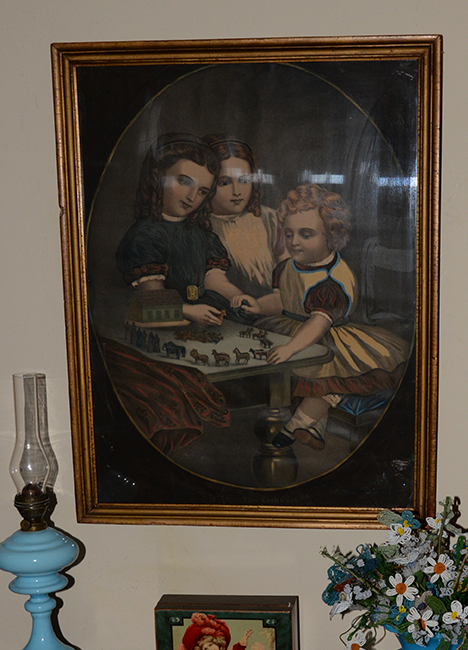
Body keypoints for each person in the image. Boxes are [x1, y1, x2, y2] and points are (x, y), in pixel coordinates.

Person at [240, 184, 409, 452]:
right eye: (289, 233)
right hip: (292, 327)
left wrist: (290, 348)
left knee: (327, 379)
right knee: (302, 380)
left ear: (332, 236)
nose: (294, 242)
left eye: (306, 235)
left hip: (325, 334)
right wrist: (259, 306)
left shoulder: (332, 279)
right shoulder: (287, 266)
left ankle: (294, 427)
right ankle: (315, 430)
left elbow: (318, 322)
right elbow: (283, 300)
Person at [115, 133, 248, 326]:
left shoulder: (203, 235)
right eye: (185, 182)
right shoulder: (145, 236)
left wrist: (240, 298)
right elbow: (151, 295)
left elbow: (216, 282)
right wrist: (189, 311)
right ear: (158, 177)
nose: (192, 196)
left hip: (205, 312)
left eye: (202, 191)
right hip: (164, 317)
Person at [202, 134, 287, 303]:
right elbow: (213, 280)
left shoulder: (268, 218)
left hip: (280, 302)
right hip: (236, 308)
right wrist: (241, 300)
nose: (237, 191)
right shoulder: (203, 228)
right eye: (225, 183)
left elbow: (287, 264)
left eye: (244, 180)